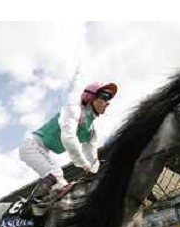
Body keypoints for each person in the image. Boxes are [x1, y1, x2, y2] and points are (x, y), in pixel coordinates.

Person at [18, 80, 117, 217]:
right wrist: (85, 165)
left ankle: (44, 216)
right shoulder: (73, 109)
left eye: (109, 99)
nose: (108, 102)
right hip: (31, 145)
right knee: (55, 173)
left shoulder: (91, 131)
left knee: (63, 187)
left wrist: (96, 171)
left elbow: (92, 156)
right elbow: (69, 138)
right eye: (105, 97)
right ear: (91, 98)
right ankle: (27, 208)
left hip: (43, 151)